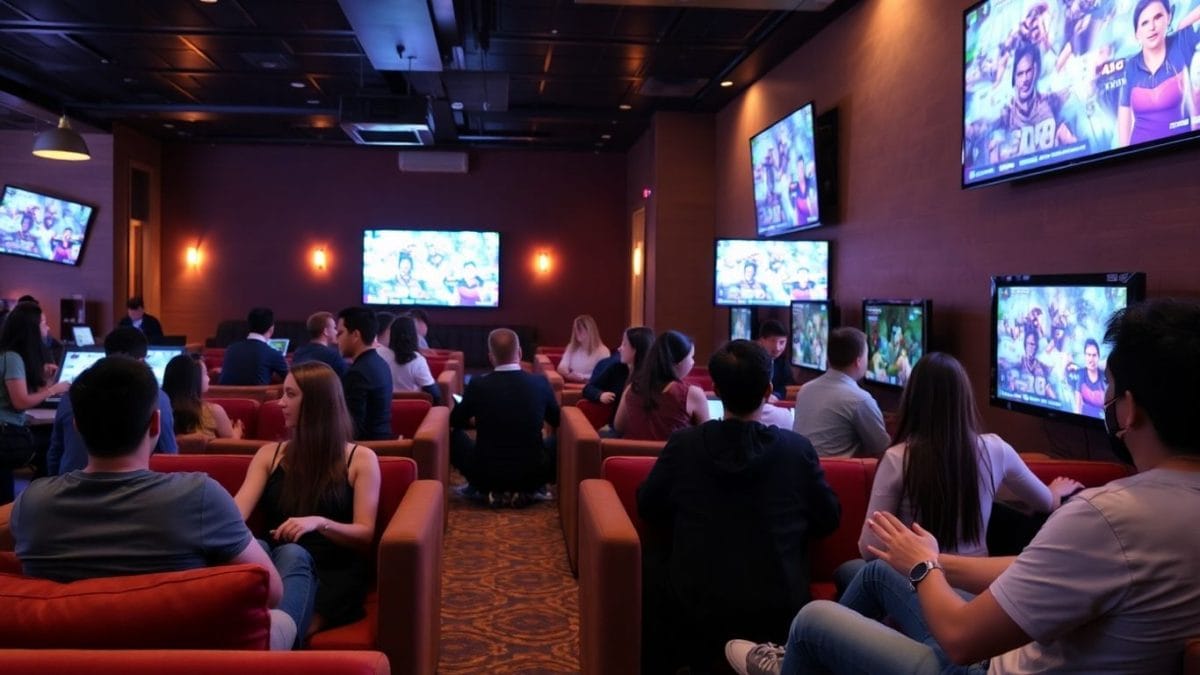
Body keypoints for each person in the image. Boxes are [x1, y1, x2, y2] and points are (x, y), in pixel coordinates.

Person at [728, 298, 1200, 675]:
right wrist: (927, 560)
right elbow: (1034, 557)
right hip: (1007, 636)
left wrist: (922, 570)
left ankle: (792, 660)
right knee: (870, 574)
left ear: (1129, 409)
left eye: (1110, 391)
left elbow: (960, 639)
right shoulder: (1119, 510)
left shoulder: (1107, 516)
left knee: (814, 620)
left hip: (983, 662)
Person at [8, 356, 305, 650]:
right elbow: (271, 592)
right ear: (155, 423)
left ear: (76, 426)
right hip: (191, 658)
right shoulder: (199, 495)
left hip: (67, 659)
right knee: (294, 560)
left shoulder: (32, 503)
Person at [638, 340, 841, 673]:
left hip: (696, 609)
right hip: (779, 612)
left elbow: (648, 507)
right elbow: (829, 519)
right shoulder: (796, 450)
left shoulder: (684, 445)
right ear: (769, 389)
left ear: (715, 388)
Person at [234, 361, 382, 637]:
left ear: (317, 403)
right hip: (275, 563)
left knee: (293, 552)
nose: (280, 403)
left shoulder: (360, 459)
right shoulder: (269, 455)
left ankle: (273, 643)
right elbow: (235, 515)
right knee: (264, 549)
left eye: (290, 395)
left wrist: (320, 522)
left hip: (332, 570)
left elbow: (365, 533)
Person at [450, 328, 560, 506]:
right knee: (563, 438)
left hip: (486, 474)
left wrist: (475, 419)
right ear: (520, 353)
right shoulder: (539, 383)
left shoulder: (478, 384)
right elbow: (557, 420)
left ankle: (480, 489)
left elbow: (455, 421)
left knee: (451, 437)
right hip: (532, 473)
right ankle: (532, 489)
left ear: (491, 357)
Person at [49, 328, 181, 475]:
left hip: (70, 491)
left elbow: (55, 454)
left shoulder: (71, 396)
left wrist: (57, 490)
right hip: (140, 492)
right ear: (142, 359)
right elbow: (169, 456)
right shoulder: (158, 398)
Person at [0, 302, 70, 500]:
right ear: (31, 329)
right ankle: (37, 499)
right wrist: (54, 389)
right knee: (55, 444)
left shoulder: (8, 354)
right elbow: (21, 402)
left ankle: (33, 497)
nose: (48, 328)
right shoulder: (12, 358)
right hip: (7, 436)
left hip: (8, 430)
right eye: (44, 323)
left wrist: (46, 382)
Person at [792, 327, 890, 458]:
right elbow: (883, 452)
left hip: (800, 473)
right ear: (858, 361)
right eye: (867, 355)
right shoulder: (860, 400)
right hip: (834, 477)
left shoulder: (805, 389)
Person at [1116, 1, 1200, 147]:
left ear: (1169, 17)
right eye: (1144, 23)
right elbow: (1124, 119)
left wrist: (1183, 23)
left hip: (1183, 150)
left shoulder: (1182, 42)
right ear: (1137, 33)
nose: (1152, 27)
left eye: (1158, 17)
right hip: (1139, 156)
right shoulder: (1131, 67)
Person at [613, 330, 709, 441]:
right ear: (679, 361)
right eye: (691, 357)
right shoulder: (692, 393)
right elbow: (706, 437)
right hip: (674, 457)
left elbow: (618, 427)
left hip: (634, 457)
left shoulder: (633, 388)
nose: (693, 362)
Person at [991, 42, 1076, 163]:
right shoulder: (1006, 115)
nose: (1025, 79)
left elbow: (1074, 145)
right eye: (1020, 74)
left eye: (1028, 71)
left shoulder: (1051, 102)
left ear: (1035, 71)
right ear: (1014, 78)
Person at [336, 307, 393, 441]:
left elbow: (352, 428)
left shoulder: (358, 373)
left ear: (355, 335)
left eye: (340, 333)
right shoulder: (381, 363)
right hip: (382, 442)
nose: (336, 339)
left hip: (367, 450)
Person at [162, 353, 242, 440]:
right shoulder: (214, 411)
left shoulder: (159, 411)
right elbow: (231, 446)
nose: (209, 378)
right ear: (194, 380)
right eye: (205, 373)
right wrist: (237, 431)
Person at [581, 326, 654, 411]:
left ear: (635, 350)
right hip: (616, 422)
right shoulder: (616, 368)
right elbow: (588, 389)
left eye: (624, 344)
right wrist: (600, 395)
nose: (619, 349)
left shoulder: (653, 374)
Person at [218, 307, 289, 386]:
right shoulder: (273, 353)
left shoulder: (230, 349)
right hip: (258, 398)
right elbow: (290, 378)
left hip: (224, 397)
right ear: (271, 328)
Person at [383, 316, 442, 405]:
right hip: (415, 413)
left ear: (392, 334)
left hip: (384, 409)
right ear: (414, 336)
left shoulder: (379, 354)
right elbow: (435, 394)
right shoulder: (417, 361)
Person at [556, 314, 610, 384]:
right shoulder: (571, 347)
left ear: (589, 331)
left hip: (592, 387)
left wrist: (581, 378)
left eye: (580, 329)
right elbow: (561, 367)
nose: (576, 332)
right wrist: (569, 375)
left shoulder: (603, 351)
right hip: (571, 385)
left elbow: (602, 375)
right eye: (575, 329)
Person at [291, 311, 347, 377]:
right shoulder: (334, 356)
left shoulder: (298, 352)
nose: (336, 332)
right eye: (334, 328)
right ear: (326, 332)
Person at [756, 319, 793, 400]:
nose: (777, 348)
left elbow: (786, 385)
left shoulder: (783, 362)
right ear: (762, 340)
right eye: (772, 341)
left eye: (782, 342)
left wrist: (776, 395)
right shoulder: (750, 358)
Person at [1074, 338, 1105, 417]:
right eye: (1088, 355)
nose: (1091, 359)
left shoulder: (1104, 377)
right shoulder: (1080, 374)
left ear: (1098, 357)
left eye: (1094, 355)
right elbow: (1077, 406)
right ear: (1085, 356)